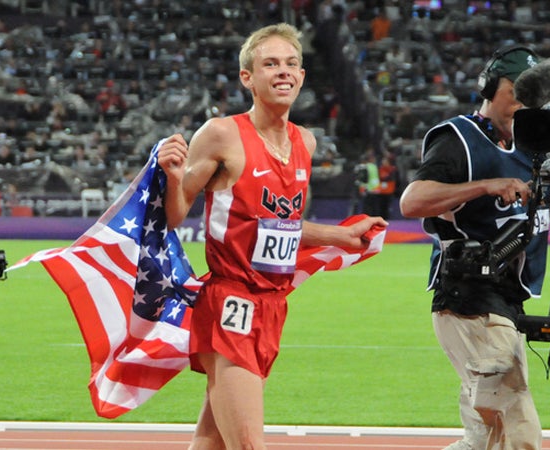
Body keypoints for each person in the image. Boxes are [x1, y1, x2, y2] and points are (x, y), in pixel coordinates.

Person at [157, 23, 387, 450]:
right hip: (231, 302)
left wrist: (338, 238)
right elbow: (173, 217)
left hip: (272, 306)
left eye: (291, 64)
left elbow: (282, 229)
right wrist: (174, 178)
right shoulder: (222, 133)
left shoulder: (306, 142)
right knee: (249, 444)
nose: (283, 72)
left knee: (211, 442)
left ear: (302, 77)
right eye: (270, 64)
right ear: (248, 77)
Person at [399, 45, 550, 450]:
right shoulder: (458, 139)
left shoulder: (533, 147)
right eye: (516, 92)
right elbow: (412, 201)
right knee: (518, 428)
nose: (524, 104)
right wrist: (486, 186)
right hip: (469, 299)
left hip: (505, 303)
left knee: (484, 439)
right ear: (490, 87)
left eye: (533, 97)